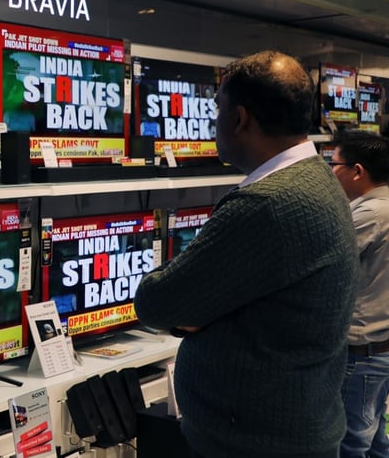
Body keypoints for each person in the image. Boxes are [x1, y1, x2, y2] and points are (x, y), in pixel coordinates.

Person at [133, 50, 357, 458]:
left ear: (239, 119)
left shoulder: (267, 203)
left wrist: (195, 314)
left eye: (217, 107)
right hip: (291, 428)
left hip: (256, 442)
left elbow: (156, 302)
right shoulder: (317, 177)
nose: (214, 119)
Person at [330, 129, 389, 458]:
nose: (331, 173)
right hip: (380, 349)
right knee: (375, 439)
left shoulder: (370, 214)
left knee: (350, 444)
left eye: (334, 164)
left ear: (357, 171)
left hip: (363, 354)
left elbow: (322, 263)